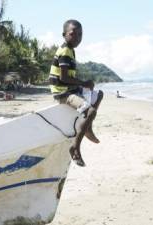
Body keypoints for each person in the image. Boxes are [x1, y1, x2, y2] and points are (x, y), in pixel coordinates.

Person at [48, 19, 104, 167]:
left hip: (70, 89)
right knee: (90, 111)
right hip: (63, 93)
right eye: (73, 34)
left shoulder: (71, 50)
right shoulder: (65, 51)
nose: (77, 38)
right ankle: (75, 147)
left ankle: (88, 127)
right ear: (64, 34)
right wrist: (84, 83)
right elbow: (64, 77)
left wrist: (84, 85)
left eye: (80, 35)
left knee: (99, 94)